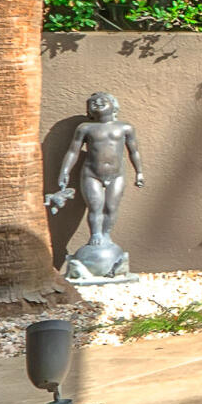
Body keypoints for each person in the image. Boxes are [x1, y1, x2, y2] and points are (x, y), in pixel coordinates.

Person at [47, 90, 146, 278]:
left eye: (103, 100)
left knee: (111, 207)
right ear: (89, 110)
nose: (98, 103)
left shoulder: (125, 128)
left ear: (114, 105)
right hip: (91, 173)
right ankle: (96, 235)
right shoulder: (85, 128)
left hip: (117, 174)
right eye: (93, 102)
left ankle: (106, 235)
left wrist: (139, 172)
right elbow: (73, 152)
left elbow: (134, 151)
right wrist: (64, 171)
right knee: (95, 206)